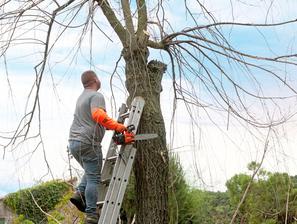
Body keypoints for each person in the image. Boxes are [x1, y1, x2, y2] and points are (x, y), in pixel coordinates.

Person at [68, 70, 128, 224]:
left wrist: (113, 126)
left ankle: (79, 193)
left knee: (90, 171)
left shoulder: (82, 97)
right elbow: (98, 116)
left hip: (74, 143)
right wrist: (118, 126)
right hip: (89, 143)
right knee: (94, 178)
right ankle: (91, 215)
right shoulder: (96, 96)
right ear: (95, 79)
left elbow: (96, 120)